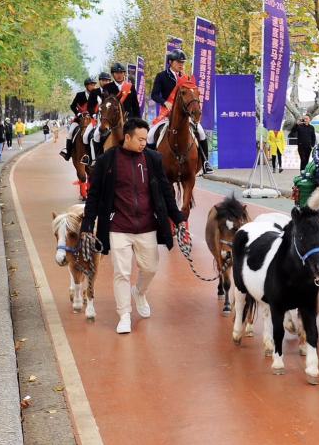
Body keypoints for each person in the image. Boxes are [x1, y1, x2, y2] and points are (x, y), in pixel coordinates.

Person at [79, 118, 186, 334]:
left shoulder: (153, 159)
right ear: (127, 137)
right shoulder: (107, 160)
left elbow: (166, 192)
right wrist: (87, 224)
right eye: (140, 139)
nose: (144, 143)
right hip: (118, 225)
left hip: (147, 225)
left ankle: (139, 292)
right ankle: (124, 315)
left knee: (151, 267)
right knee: (122, 272)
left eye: (146, 139)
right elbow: (94, 195)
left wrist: (179, 218)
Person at [148, 50, 213, 173]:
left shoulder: (187, 78)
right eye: (178, 62)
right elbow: (154, 95)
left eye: (182, 62)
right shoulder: (161, 76)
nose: (181, 64)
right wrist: (164, 102)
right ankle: (150, 165)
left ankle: (205, 162)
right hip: (167, 114)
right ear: (170, 62)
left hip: (184, 115)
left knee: (201, 132)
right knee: (150, 135)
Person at [60, 78, 98, 160]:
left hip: (92, 119)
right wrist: (78, 113)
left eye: (94, 85)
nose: (93, 86)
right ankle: (68, 152)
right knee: (70, 132)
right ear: (86, 86)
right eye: (91, 85)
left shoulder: (97, 95)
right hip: (79, 119)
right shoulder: (80, 95)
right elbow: (72, 106)